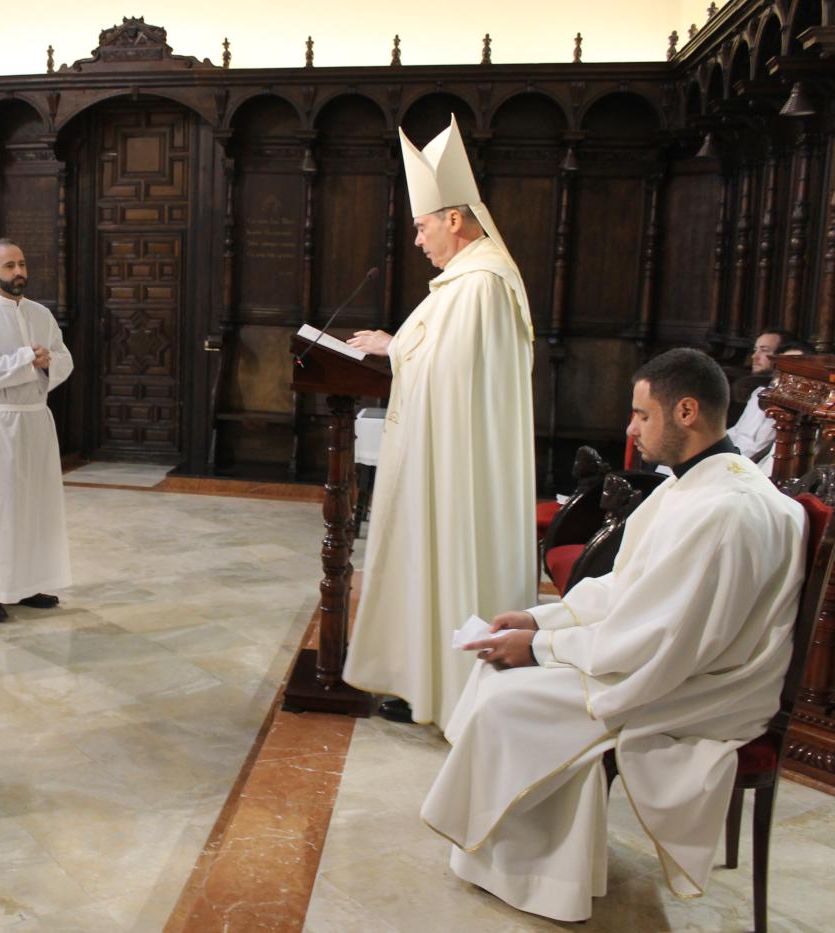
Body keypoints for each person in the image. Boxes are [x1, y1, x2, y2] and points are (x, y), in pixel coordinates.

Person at [422, 348, 805, 923]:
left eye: (641, 415)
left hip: (703, 686)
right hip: (671, 657)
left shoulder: (725, 511)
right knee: (498, 672)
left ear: (686, 412)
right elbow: (625, 589)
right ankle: (516, 865)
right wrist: (540, 621)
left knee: (511, 701)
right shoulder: (689, 488)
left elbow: (662, 641)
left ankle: (544, 880)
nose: (631, 429)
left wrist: (542, 650)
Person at [340, 115, 535, 726]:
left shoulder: (479, 285)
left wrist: (397, 350)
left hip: (457, 466)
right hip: (442, 455)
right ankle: (423, 678)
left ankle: (449, 684)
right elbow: (444, 361)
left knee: (447, 557)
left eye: (423, 227)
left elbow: (452, 378)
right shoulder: (466, 284)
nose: (419, 241)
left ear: (454, 218)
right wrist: (395, 346)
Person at [0, 238, 73, 622]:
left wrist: (47, 361)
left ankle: (26, 583)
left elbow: (64, 358)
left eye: (22, 264)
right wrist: (25, 359)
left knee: (33, 504)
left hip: (36, 418)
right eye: (9, 266)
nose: (19, 272)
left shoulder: (41, 314)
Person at [728, 337, 814, 476]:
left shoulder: (809, 416)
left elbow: (758, 447)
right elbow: (737, 431)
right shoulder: (764, 395)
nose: (788, 377)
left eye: (794, 370)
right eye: (783, 368)